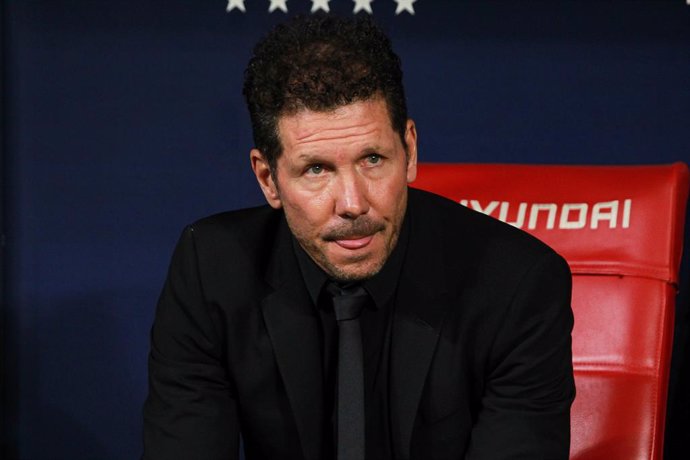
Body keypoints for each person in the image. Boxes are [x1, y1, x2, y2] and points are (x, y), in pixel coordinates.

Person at [143, 14, 575, 460]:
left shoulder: (516, 284)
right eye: (316, 169)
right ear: (267, 178)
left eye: (372, 159)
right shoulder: (212, 269)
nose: (352, 203)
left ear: (408, 150)